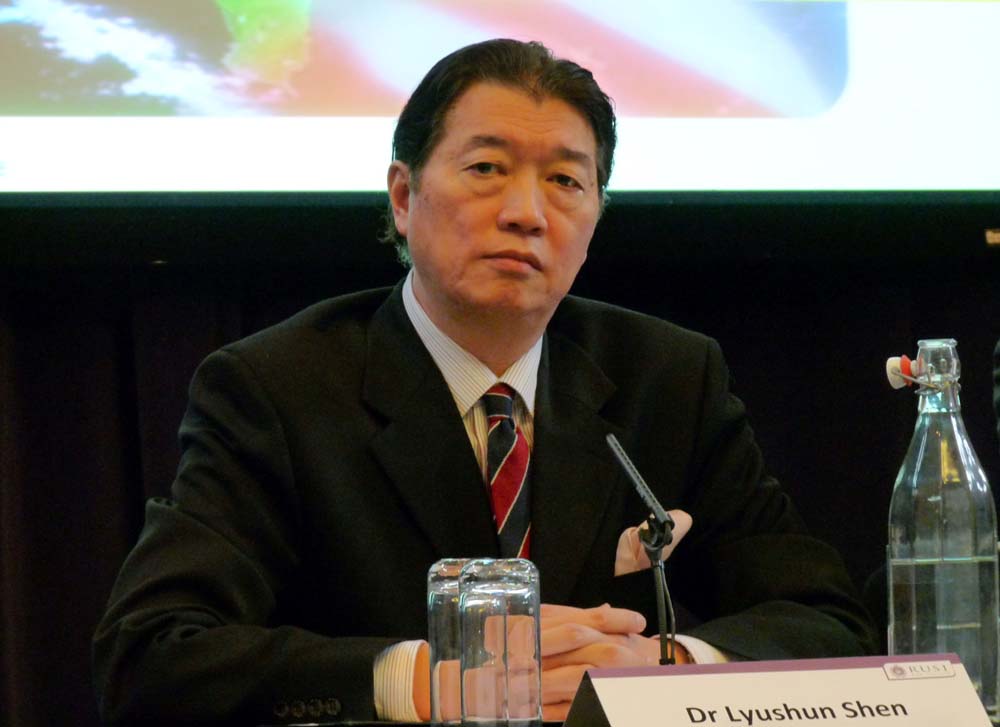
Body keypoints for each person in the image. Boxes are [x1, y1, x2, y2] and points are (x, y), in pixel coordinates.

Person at [93, 39, 876, 725]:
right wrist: (427, 679)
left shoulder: (669, 377)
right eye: (487, 169)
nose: (527, 213)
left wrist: (664, 665)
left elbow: (826, 619)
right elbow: (152, 653)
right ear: (404, 197)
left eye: (565, 181)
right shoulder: (277, 388)